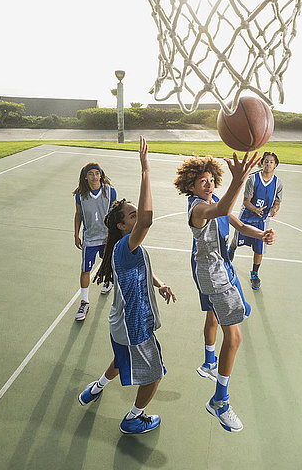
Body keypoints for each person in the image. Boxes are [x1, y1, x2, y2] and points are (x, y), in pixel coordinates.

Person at [78, 136, 177, 435]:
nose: (137, 217)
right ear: (122, 226)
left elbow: (143, 267)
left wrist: (158, 284)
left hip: (119, 323)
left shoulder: (124, 248)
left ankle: (97, 387)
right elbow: (147, 221)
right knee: (155, 374)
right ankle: (134, 417)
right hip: (135, 325)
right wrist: (146, 170)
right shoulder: (125, 245)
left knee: (121, 360)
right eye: (131, 215)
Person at [174, 151, 276, 432]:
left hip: (218, 269)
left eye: (210, 180)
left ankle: (209, 362)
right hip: (215, 276)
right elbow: (219, 213)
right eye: (201, 181)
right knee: (234, 337)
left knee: (216, 318)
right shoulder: (198, 210)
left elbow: (238, 223)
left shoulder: (215, 200)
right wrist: (240, 178)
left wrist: (261, 235)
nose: (208, 185)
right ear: (190, 187)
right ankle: (220, 400)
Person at [228, 151, 282, 290]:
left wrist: (275, 210)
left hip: (262, 221)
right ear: (261, 163)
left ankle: (254, 274)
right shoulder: (253, 179)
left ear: (275, 165)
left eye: (271, 162)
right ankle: (231, 249)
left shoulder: (278, 183)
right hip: (247, 217)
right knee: (237, 239)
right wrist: (255, 210)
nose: (268, 164)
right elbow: (246, 202)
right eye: (266, 161)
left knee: (259, 249)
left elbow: (277, 202)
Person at [73, 162, 117, 321]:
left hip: (106, 237)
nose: (94, 176)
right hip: (90, 238)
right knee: (85, 270)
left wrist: (116, 234)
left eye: (96, 173)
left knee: (110, 264)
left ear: (101, 174)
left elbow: (114, 213)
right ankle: (84, 302)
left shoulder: (110, 191)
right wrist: (76, 234)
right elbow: (78, 214)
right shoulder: (80, 195)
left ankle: (109, 281)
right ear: (85, 177)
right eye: (90, 174)